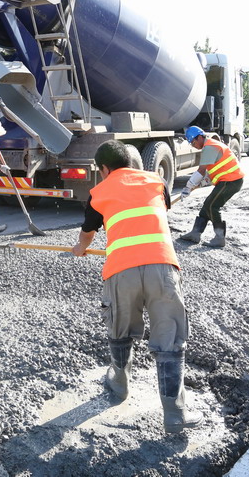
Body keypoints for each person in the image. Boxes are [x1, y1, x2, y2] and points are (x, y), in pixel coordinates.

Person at [71, 140, 202, 434]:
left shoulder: (98, 192)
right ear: (132, 163)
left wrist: (80, 248)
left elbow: (88, 233)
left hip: (121, 271)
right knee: (170, 339)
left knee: (120, 328)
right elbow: (155, 212)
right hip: (163, 268)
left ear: (104, 169)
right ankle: (175, 415)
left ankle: (119, 384)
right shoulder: (156, 181)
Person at [178, 126, 244, 247]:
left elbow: (201, 171)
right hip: (228, 180)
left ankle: (219, 238)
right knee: (207, 206)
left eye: (193, 142)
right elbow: (212, 171)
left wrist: (188, 187)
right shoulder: (210, 145)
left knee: (212, 206)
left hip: (231, 180)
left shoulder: (209, 147)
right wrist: (202, 182)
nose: (193, 145)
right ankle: (195, 233)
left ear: (199, 137)